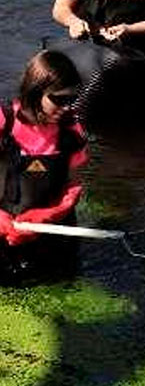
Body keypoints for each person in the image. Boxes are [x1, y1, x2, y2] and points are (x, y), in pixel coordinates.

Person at [0, 50, 88, 282]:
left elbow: (74, 186)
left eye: (72, 99)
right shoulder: (4, 122)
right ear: (35, 91)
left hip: (53, 233)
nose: (67, 107)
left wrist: (46, 216)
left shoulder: (71, 133)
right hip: (4, 233)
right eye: (58, 99)